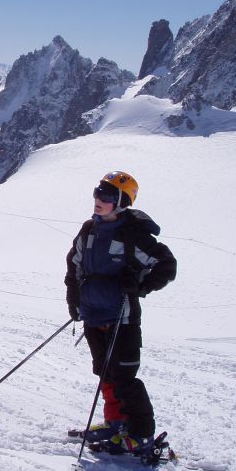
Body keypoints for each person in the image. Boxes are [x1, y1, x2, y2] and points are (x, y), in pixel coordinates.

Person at [64, 171, 176, 454]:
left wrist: (139, 286)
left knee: (125, 377)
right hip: (92, 315)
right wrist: (74, 300)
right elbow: (74, 265)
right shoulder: (89, 230)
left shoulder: (133, 236)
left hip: (121, 318)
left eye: (107, 196)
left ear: (122, 202)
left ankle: (140, 434)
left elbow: (166, 264)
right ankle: (115, 422)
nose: (98, 200)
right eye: (97, 193)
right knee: (105, 373)